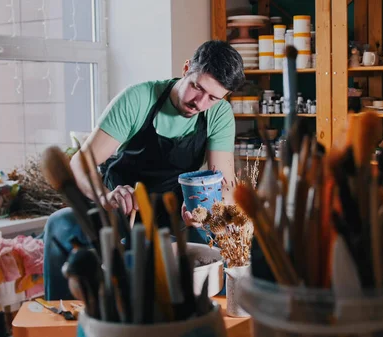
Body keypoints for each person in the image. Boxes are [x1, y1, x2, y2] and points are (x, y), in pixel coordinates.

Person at [43, 40, 245, 300]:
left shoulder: (218, 114)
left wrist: (204, 208)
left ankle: (212, 322)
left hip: (175, 209)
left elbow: (224, 185)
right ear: (186, 69)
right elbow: (80, 163)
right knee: (60, 226)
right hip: (121, 205)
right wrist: (105, 196)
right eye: (197, 87)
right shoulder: (138, 99)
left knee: (228, 238)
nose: (200, 103)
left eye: (213, 98)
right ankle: (63, 319)